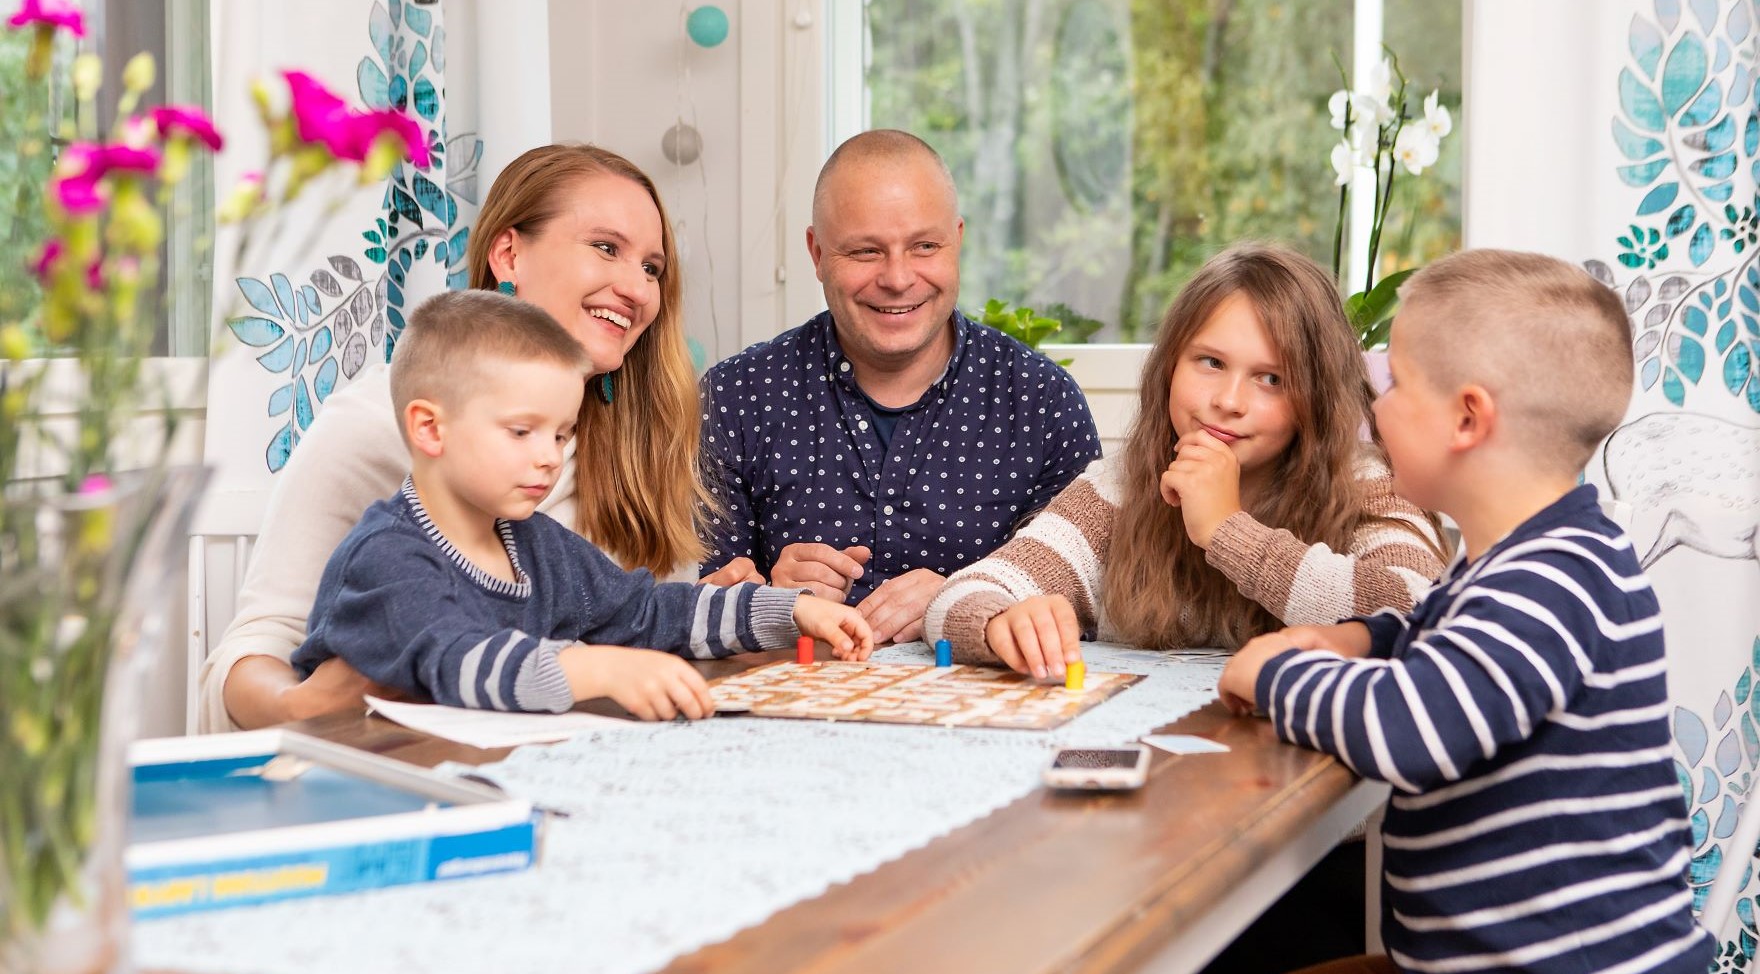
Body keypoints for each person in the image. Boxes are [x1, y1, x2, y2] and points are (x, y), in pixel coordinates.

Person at [1218, 249, 1713, 974]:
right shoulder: (1523, 559)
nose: (1374, 406)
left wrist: (1274, 675)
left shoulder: (1550, 581)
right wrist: (1360, 638)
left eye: (1395, 382)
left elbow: (1413, 728)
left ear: (1467, 418)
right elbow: (1446, 637)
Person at [203, 143, 753, 731]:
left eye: (652, 268)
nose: (639, 291)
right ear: (509, 255)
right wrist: (299, 705)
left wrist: (731, 611)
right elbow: (258, 651)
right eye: (605, 247)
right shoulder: (379, 426)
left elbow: (630, 618)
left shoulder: (639, 440)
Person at [292, 291, 870, 718]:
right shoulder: (388, 556)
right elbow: (459, 660)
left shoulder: (537, 544)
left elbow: (645, 611)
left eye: (561, 434)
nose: (549, 457)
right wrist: (595, 666)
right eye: (522, 432)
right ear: (430, 429)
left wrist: (786, 611)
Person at [924, 243, 1447, 675]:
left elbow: (1422, 611)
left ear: (1317, 396)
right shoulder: (1117, 489)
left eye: (1271, 378)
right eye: (1211, 362)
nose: (1229, 401)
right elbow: (963, 595)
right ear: (1170, 365)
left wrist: (1227, 531)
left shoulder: (1368, 484)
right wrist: (1000, 622)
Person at [699, 129, 1102, 644]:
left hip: (981, 694)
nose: (897, 278)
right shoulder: (735, 398)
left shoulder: (1044, 403)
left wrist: (967, 596)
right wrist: (769, 603)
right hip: (799, 688)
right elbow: (709, 609)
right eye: (865, 251)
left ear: (957, 240)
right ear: (817, 253)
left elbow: (1083, 600)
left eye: (924, 246)